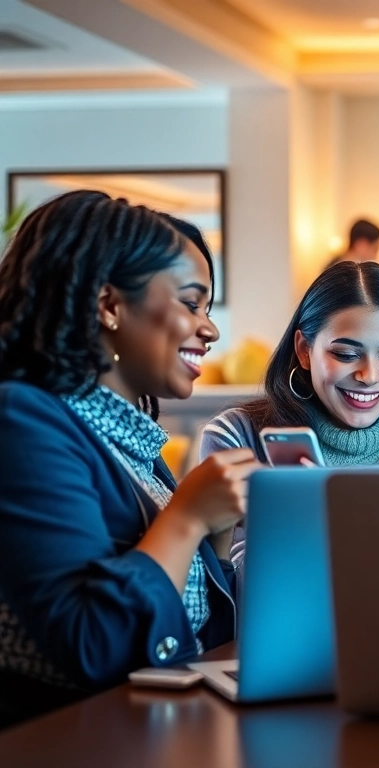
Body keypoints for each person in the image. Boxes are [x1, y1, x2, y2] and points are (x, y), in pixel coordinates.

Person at [0, 191, 262, 725]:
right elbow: (90, 643)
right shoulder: (22, 418)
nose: (209, 328)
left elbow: (196, 628)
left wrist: (215, 531)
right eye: (191, 303)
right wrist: (187, 518)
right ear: (110, 306)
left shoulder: (126, 437)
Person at [201, 262, 379, 559]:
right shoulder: (236, 437)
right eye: (346, 354)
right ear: (304, 350)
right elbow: (229, 594)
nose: (370, 375)